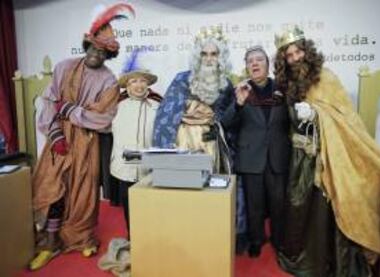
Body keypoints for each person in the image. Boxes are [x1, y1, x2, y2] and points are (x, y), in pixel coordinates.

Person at [273, 26, 380, 276]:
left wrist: (316, 114)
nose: (294, 59)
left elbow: (345, 117)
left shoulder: (326, 77)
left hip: (328, 157)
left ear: (306, 51)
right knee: (300, 207)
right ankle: (305, 258)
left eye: (297, 52)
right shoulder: (288, 82)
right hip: (300, 159)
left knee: (327, 209)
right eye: (288, 55)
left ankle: (328, 262)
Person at [29, 3, 135, 270]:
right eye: (93, 49)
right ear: (86, 45)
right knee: (53, 188)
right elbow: (49, 100)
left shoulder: (109, 81)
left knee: (83, 193)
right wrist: (55, 133)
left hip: (87, 143)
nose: (96, 55)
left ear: (107, 55)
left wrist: (70, 109)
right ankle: (51, 240)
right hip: (58, 139)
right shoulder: (64, 67)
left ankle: (78, 236)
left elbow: (103, 117)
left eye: (102, 52)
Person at [152, 26, 249, 253]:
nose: (208, 58)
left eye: (213, 54)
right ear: (197, 56)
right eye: (204, 54)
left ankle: (211, 239)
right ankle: (182, 239)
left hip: (212, 147)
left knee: (212, 194)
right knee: (184, 195)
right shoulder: (182, 79)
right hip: (184, 146)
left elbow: (227, 119)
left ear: (220, 56)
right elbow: (165, 115)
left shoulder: (226, 85)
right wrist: (167, 147)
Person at [221, 46, 291, 258]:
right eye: (250, 60)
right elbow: (225, 123)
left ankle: (279, 241)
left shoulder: (282, 89)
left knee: (279, 204)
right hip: (251, 157)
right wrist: (239, 105)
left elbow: (292, 120)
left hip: (278, 156)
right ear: (246, 67)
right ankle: (255, 240)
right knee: (254, 205)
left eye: (259, 59)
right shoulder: (241, 91)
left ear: (267, 65)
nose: (255, 63)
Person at [110, 50, 163, 237]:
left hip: (150, 168)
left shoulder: (158, 106)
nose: (138, 85)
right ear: (127, 85)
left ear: (147, 83)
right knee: (130, 208)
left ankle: (152, 241)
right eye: (133, 81)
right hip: (125, 168)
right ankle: (133, 238)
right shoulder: (115, 106)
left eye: (142, 80)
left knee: (152, 209)